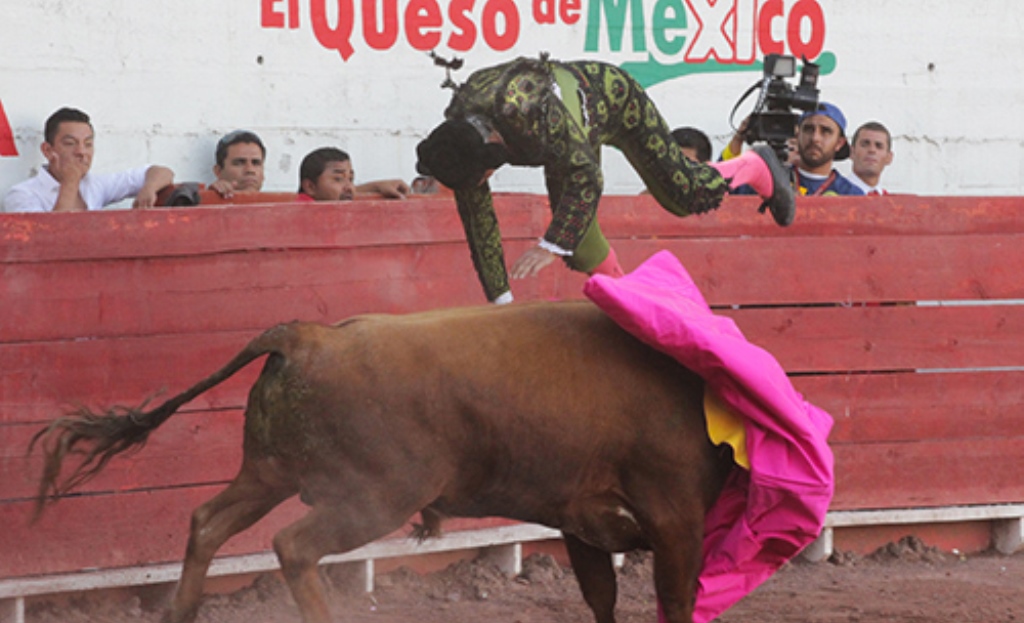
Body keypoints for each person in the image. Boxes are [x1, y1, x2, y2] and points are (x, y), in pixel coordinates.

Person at [415, 55, 794, 304]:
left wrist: (550, 245)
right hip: (567, 126)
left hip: (612, 98)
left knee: (685, 193)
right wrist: (501, 302)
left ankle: (755, 165)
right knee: (579, 247)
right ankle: (631, 305)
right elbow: (478, 221)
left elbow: (586, 176)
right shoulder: (456, 141)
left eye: (483, 176)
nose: (482, 183)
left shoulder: (530, 116)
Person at [2, 107, 174, 213]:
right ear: (48, 150)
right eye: (70, 144)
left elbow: (163, 172)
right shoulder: (22, 194)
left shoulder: (96, 184)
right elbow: (50, 239)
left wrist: (149, 188)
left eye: (88, 144)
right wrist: (70, 182)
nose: (81, 152)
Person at [791, 102, 863, 196]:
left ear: (839, 143)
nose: (815, 138)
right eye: (808, 129)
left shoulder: (851, 195)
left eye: (825, 131)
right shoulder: (774, 181)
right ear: (797, 136)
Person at [295, 146, 411, 201]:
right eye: (338, 179)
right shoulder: (299, 210)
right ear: (310, 187)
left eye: (351, 179)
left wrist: (377, 186)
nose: (349, 187)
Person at [209, 130, 266, 199]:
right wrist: (212, 197)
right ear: (218, 171)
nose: (250, 170)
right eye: (239, 163)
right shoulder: (204, 205)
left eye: (256, 163)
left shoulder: (279, 205)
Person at [849, 121, 893, 195]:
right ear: (851, 152)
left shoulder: (893, 203)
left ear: (889, 158)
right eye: (865, 144)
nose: (872, 150)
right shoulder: (834, 195)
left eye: (879, 146)